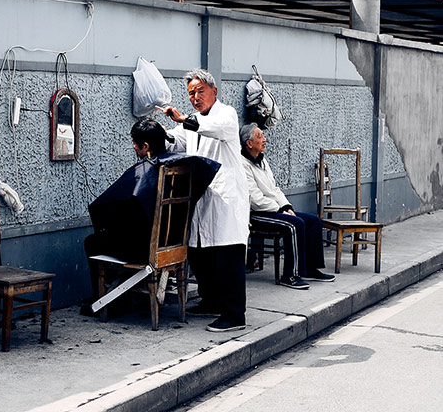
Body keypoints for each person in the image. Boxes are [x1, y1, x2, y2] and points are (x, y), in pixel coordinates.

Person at [162, 68, 250, 333]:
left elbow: (212, 129)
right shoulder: (192, 122)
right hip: (203, 198)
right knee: (200, 254)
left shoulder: (226, 115)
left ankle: (234, 315)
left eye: (200, 91)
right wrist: (158, 132)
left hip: (226, 200)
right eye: (191, 93)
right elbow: (175, 139)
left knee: (227, 257)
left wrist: (185, 119)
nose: (196, 97)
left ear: (214, 91)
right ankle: (211, 301)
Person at [85, 118, 219, 281]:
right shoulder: (181, 166)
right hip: (175, 242)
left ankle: (111, 300)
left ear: (146, 146)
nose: (134, 147)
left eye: (135, 143)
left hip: (147, 249)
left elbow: (109, 207)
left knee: (92, 242)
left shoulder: (146, 170)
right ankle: (132, 291)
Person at [239, 123, 335, 289]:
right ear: (249, 143)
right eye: (260, 137)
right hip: (256, 214)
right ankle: (290, 275)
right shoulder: (242, 164)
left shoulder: (262, 161)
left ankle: (309, 269)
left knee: (313, 221)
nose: (264, 139)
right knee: (295, 224)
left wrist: (285, 207)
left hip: (274, 209)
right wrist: (279, 209)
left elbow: (275, 188)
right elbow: (255, 199)